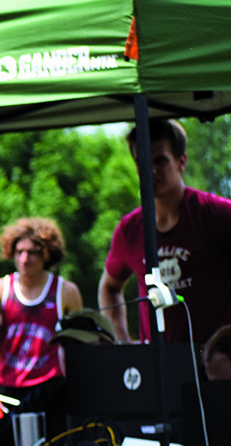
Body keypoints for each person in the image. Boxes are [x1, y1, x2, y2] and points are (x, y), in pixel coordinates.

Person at [99, 119, 231, 345]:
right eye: (142, 162)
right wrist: (122, 341)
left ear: (182, 162)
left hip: (217, 368)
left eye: (160, 160)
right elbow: (110, 287)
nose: (151, 171)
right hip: (158, 368)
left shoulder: (217, 214)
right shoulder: (129, 230)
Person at [0, 217, 83, 446]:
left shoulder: (66, 292)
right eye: (19, 252)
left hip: (49, 387)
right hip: (9, 387)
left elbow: (80, 346)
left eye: (32, 253)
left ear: (47, 254)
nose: (24, 259)